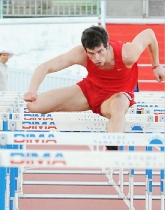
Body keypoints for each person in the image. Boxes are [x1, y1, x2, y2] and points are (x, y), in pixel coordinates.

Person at [24, 26, 165, 150]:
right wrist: (32, 90)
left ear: (107, 46)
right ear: (85, 50)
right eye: (91, 53)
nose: (96, 58)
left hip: (116, 96)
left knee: (119, 104)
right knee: (34, 106)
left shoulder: (127, 53)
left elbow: (149, 34)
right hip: (90, 91)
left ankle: (113, 146)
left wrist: (156, 66)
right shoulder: (80, 54)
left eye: (100, 51)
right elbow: (45, 67)